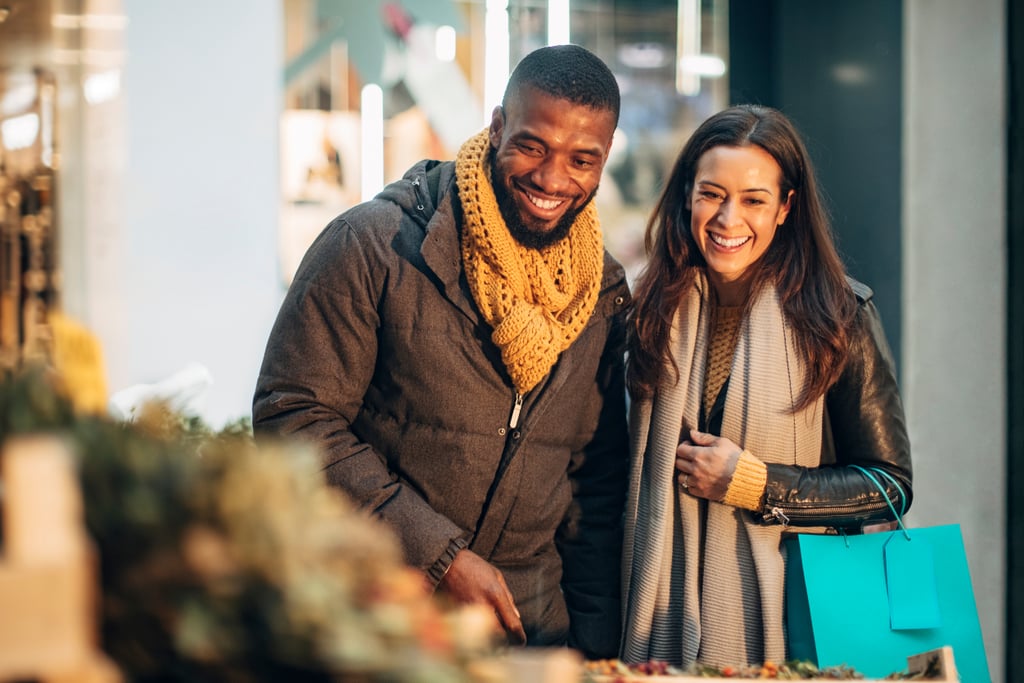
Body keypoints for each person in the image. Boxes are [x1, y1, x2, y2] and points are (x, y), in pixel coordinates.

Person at [253, 44, 629, 658]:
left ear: (603, 159)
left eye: (581, 159)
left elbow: (595, 485)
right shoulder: (373, 245)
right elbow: (291, 417)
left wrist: (591, 652)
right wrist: (439, 557)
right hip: (372, 620)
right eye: (533, 145)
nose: (553, 179)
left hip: (529, 638)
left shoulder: (602, 294)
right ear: (498, 126)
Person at [619, 104, 912, 668]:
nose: (729, 219)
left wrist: (757, 484)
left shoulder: (837, 315)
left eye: (753, 199)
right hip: (657, 624)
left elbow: (889, 483)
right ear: (686, 195)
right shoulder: (647, 312)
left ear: (785, 207)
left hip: (793, 621)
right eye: (712, 194)